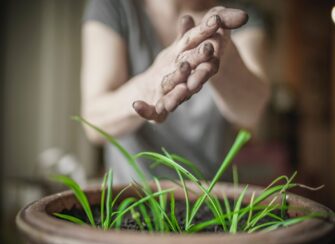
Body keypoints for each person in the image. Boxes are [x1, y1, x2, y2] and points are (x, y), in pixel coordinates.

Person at [82, 0, 270, 183]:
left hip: (212, 197)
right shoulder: (114, 6)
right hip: (132, 195)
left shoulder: (241, 13)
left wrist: (224, 56)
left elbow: (252, 113)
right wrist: (148, 86)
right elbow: (93, 122)